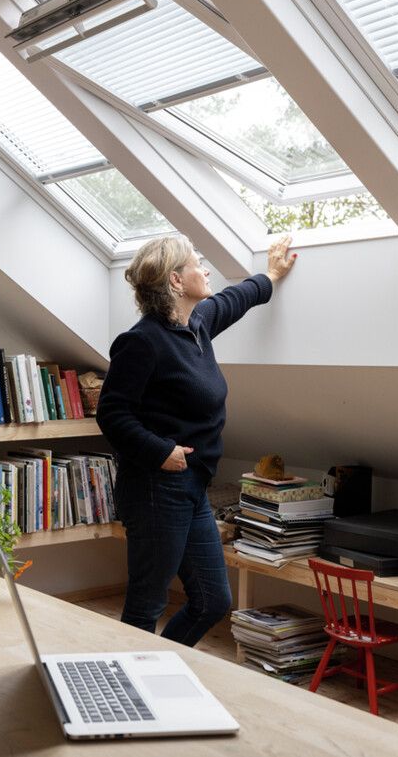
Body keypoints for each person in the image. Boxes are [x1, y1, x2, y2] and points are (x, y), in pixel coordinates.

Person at [97, 234, 296, 646]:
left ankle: (164, 668)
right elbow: (112, 414)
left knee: (211, 600)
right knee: (146, 605)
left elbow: (234, 300)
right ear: (175, 280)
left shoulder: (197, 324)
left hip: (192, 487)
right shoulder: (142, 342)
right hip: (155, 487)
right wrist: (160, 450)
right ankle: (128, 694)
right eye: (197, 264)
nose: (205, 271)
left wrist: (272, 275)